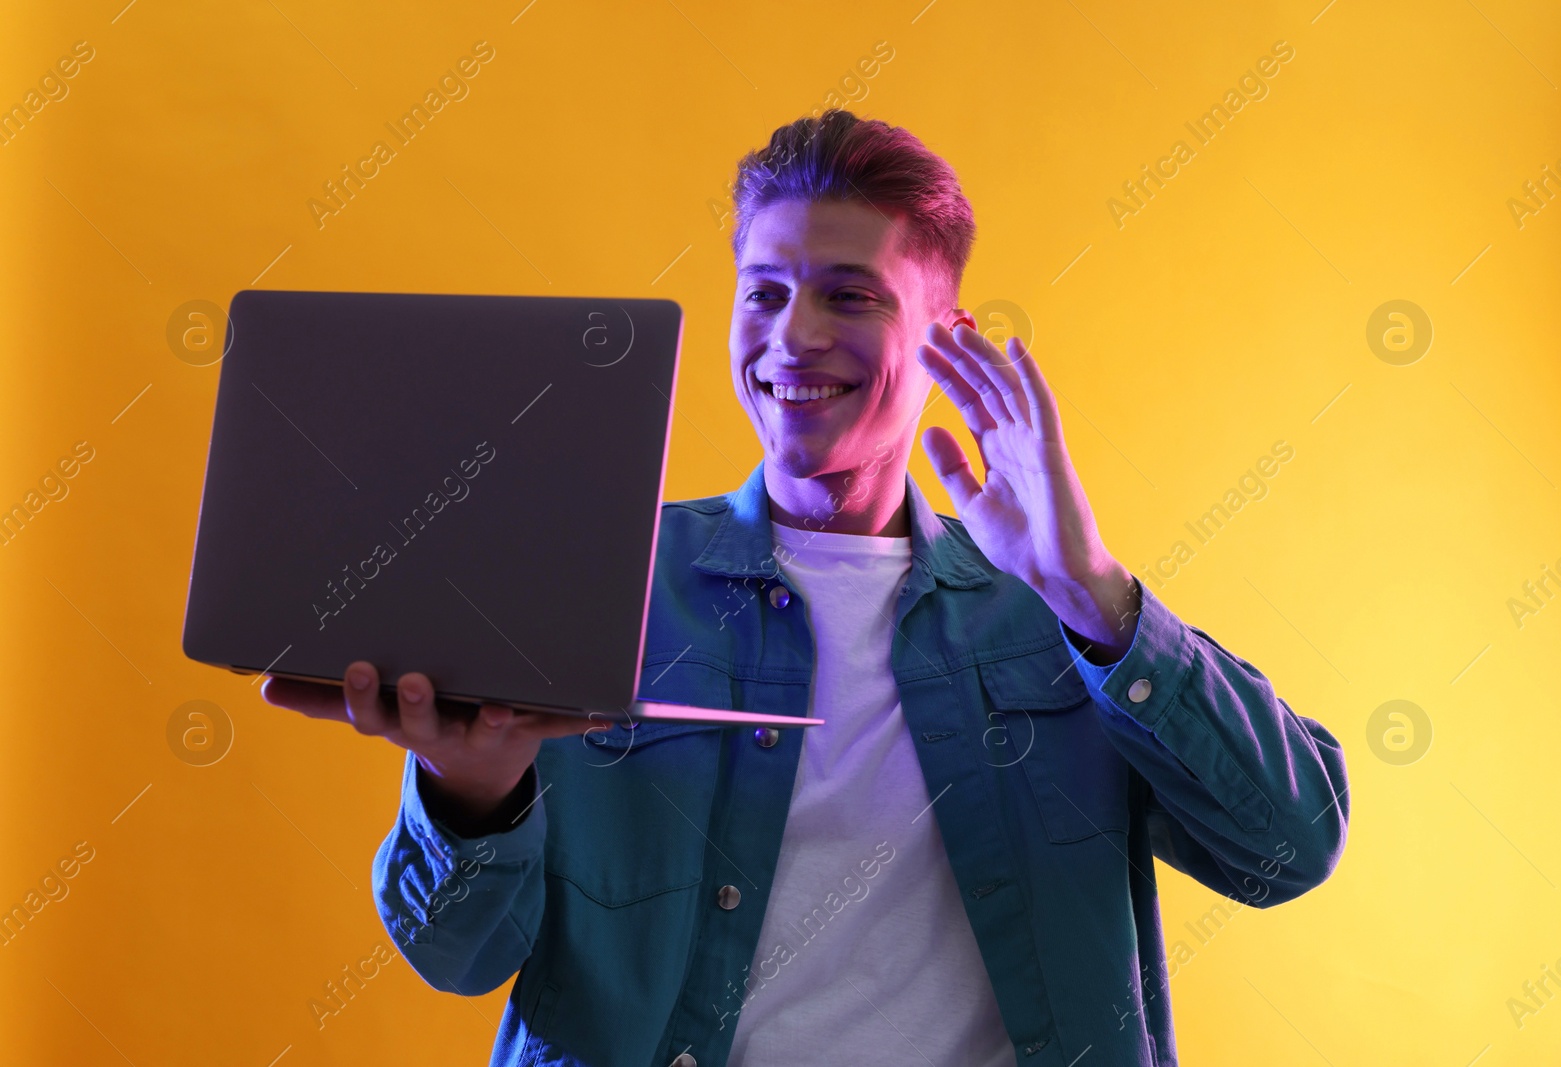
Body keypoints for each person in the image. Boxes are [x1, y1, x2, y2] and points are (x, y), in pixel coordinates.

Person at [264, 108, 1349, 1067]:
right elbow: (457, 954)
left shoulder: (1057, 617)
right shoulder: (596, 580)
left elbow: (1286, 848)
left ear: (944, 339)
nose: (795, 333)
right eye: (766, 292)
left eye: (849, 294)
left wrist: (1091, 586)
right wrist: (472, 793)